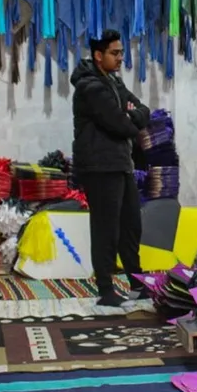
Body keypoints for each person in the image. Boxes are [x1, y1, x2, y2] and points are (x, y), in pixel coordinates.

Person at [71, 29, 152, 307]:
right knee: (106, 228)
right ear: (98, 55)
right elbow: (122, 124)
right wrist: (131, 117)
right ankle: (105, 288)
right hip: (99, 165)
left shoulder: (113, 81)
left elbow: (142, 109)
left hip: (121, 163)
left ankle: (137, 282)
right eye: (114, 53)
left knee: (131, 224)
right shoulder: (89, 87)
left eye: (121, 52)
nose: (120, 58)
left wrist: (133, 114)